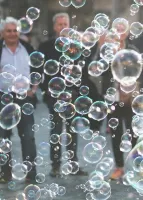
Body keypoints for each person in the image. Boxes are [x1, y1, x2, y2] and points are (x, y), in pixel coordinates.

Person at [38, 13, 89, 177]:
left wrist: (78, 90)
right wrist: (48, 92)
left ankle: (73, 164)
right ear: (54, 27)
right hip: (54, 96)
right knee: (56, 131)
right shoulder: (45, 46)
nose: (62, 27)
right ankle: (55, 165)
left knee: (73, 131)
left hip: (73, 95)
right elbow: (40, 72)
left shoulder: (76, 46)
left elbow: (82, 70)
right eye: (59, 24)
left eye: (65, 24)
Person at [0, 17, 40, 183]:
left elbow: (38, 70)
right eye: (8, 31)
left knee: (28, 136)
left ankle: (31, 174)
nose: (12, 34)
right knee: (3, 138)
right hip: (3, 97)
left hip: (24, 98)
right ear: (2, 33)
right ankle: (4, 174)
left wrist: (33, 89)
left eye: (15, 30)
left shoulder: (28, 48)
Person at [102, 32, 141, 180]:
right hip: (113, 98)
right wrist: (109, 57)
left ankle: (138, 166)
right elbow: (99, 72)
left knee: (134, 132)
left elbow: (138, 71)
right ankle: (119, 167)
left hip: (131, 98)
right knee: (115, 134)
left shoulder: (133, 51)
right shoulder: (105, 52)